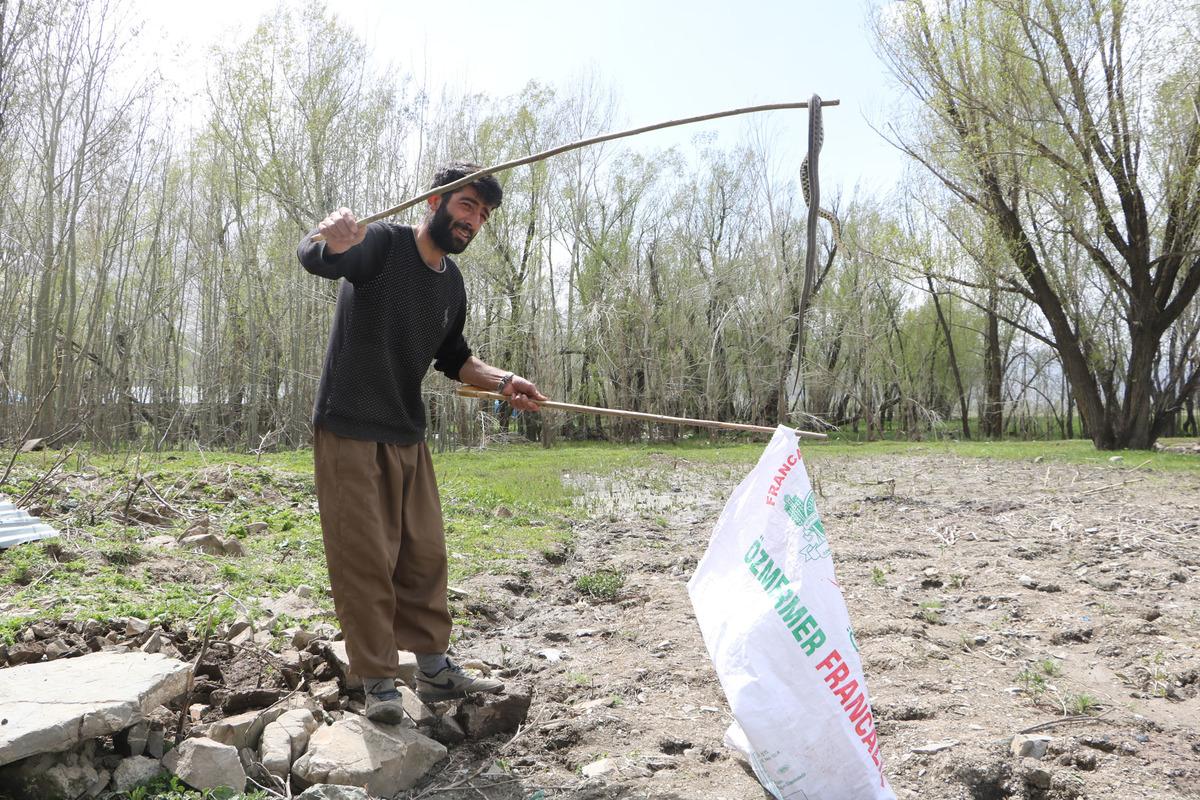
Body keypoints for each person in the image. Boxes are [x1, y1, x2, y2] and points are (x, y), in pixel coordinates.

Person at [296, 162, 546, 725]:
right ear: (434, 202)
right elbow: (319, 258)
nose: (473, 221)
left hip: (406, 430)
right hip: (350, 424)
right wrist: (329, 237)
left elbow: (454, 357)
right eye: (465, 205)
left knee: (425, 554)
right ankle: (379, 679)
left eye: (482, 214)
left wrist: (505, 382)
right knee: (366, 558)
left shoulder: (451, 283)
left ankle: (433, 668)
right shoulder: (382, 244)